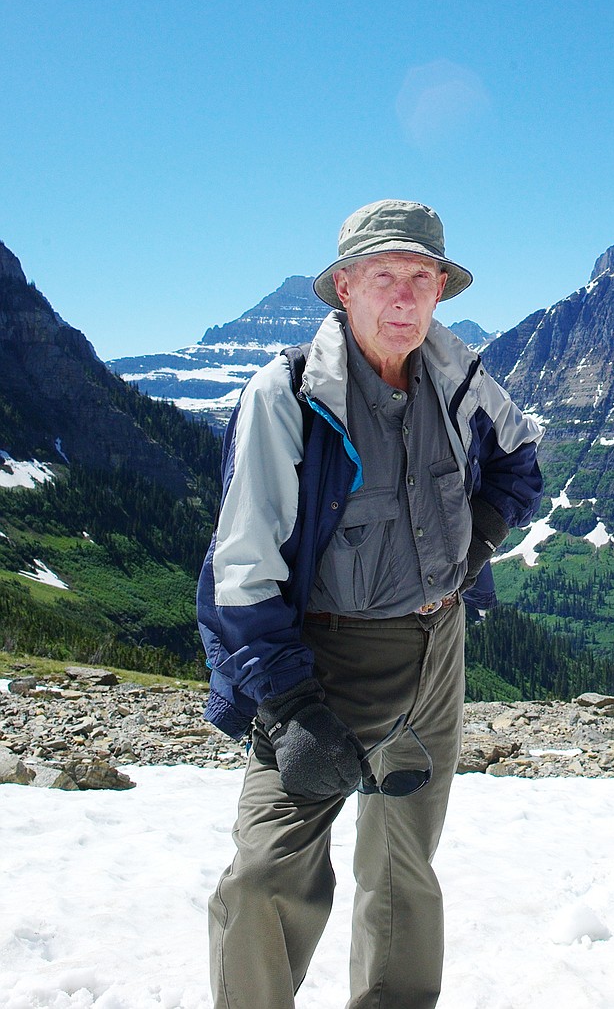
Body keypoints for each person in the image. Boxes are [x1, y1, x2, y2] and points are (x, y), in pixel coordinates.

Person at [197, 199, 543, 1009]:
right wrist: (290, 705)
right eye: (383, 276)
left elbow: (520, 456)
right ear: (343, 289)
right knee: (262, 878)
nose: (403, 297)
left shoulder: (458, 374)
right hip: (323, 659)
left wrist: (478, 543)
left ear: (440, 291)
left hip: (438, 647)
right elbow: (239, 572)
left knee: (404, 866)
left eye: (420, 278)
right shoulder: (284, 395)